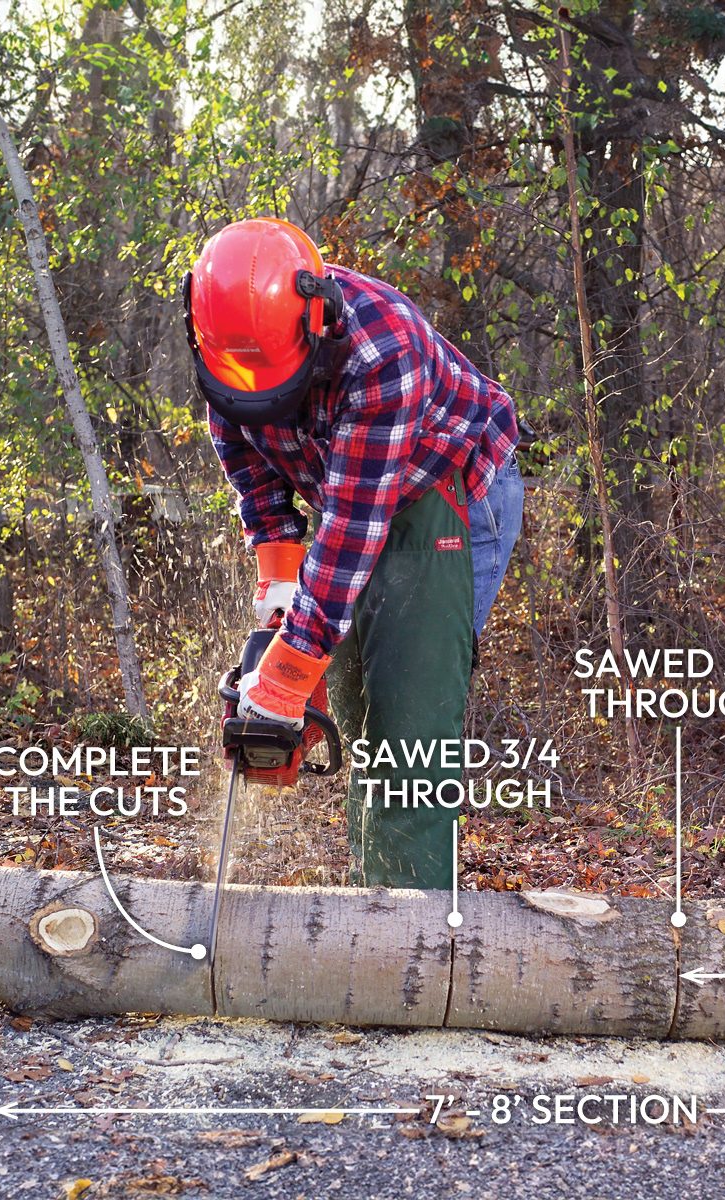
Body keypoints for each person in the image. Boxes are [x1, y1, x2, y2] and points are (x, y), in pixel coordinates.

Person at [183, 216, 523, 888]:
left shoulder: (382, 350)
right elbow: (255, 481)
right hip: (352, 507)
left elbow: (350, 529)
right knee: (362, 717)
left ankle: (421, 954)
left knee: (408, 722)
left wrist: (284, 679)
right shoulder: (224, 349)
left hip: (447, 495)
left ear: (316, 317)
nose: (249, 388)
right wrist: (281, 597)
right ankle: (374, 928)